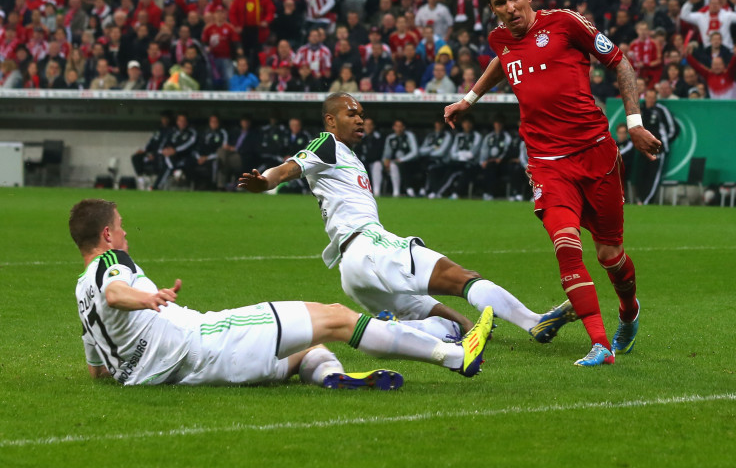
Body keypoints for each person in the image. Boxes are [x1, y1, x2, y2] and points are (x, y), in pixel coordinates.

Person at [444, 0, 662, 366]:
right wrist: (468, 99)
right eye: (500, 4)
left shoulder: (565, 24)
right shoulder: (500, 40)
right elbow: (503, 60)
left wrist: (634, 123)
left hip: (596, 153)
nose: (510, 8)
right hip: (547, 163)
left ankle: (629, 312)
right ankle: (600, 344)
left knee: (610, 254)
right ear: (493, 11)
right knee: (566, 245)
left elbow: (621, 62)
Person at [238, 93, 574, 346]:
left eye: (362, 115)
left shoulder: (346, 156)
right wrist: (264, 182)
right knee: (463, 278)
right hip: (370, 246)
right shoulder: (327, 145)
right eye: (350, 113)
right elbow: (286, 169)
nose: (359, 119)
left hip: (352, 269)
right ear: (330, 121)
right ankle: (534, 322)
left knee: (451, 324)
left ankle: (410, 329)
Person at [69, 198, 492, 387]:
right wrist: (147, 298)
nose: (125, 233)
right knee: (335, 317)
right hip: (203, 342)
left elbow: (98, 371)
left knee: (307, 348)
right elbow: (116, 293)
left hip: (175, 376)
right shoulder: (111, 264)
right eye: (120, 226)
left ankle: (330, 376)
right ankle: (455, 355)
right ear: (106, 235)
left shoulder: (79, 293)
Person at [635, 87, 680, 204]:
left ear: (656, 99)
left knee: (653, 176)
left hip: (657, 149)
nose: (651, 100)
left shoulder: (661, 110)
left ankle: (647, 201)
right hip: (643, 148)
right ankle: (640, 198)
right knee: (640, 173)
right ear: (645, 98)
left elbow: (673, 129)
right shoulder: (640, 109)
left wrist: (662, 142)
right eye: (649, 97)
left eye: (653, 98)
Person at [131, 111, 174, 190]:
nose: (164, 120)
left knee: (160, 161)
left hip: (161, 155)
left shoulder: (171, 130)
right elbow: (151, 142)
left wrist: (155, 154)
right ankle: (141, 180)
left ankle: (156, 186)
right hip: (152, 154)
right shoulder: (159, 130)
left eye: (166, 118)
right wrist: (144, 150)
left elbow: (165, 145)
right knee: (136, 157)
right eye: (163, 118)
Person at [382, 118, 420, 197]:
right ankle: (395, 192)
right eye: (396, 126)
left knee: (398, 165)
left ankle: (409, 190)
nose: (398, 129)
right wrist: (385, 162)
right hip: (395, 163)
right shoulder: (390, 138)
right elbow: (386, 154)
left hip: (410, 163)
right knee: (390, 165)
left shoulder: (409, 136)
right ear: (393, 127)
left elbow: (415, 152)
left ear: (404, 127)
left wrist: (401, 160)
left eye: (400, 126)